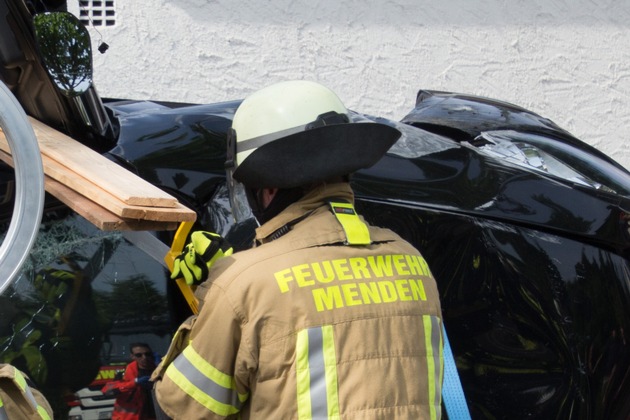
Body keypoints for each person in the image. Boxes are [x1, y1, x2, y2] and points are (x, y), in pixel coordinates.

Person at [153, 80, 444, 419]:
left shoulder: (244, 284)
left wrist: (214, 297)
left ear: (269, 188)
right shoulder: (412, 261)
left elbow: (184, 405)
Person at [102, 342, 157, 420]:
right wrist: (134, 382)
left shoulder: (159, 370)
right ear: (132, 357)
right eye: (139, 355)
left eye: (147, 354)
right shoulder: (123, 374)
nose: (144, 357)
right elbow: (107, 391)